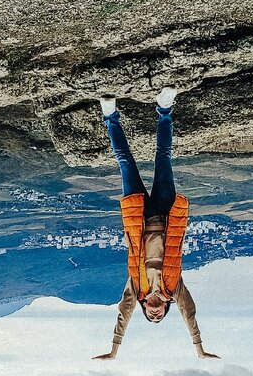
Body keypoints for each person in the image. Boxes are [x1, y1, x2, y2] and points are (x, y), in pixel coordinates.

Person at [93, 87, 220, 361]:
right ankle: (164, 108)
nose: (154, 314)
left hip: (138, 218)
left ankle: (110, 114)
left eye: (150, 316)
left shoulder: (136, 290)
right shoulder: (174, 290)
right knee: (163, 156)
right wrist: (198, 347)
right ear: (165, 309)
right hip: (165, 214)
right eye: (158, 316)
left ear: (145, 310)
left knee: (125, 162)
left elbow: (123, 313)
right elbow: (190, 313)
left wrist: (114, 349)